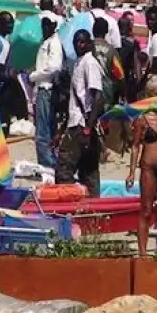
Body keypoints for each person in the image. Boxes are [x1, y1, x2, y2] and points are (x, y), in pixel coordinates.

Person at [57, 29, 104, 195]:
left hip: (81, 124)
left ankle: (68, 203)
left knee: (65, 167)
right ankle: (90, 206)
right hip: (76, 121)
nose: (79, 45)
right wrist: (62, 129)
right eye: (76, 42)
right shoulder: (79, 62)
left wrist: (88, 128)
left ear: (89, 43)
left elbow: (97, 97)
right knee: (87, 169)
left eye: (83, 42)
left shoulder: (89, 63)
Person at [126, 77, 157, 257]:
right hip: (149, 166)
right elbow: (135, 145)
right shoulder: (142, 118)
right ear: (149, 94)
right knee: (146, 208)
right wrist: (131, 172)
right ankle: (143, 252)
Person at [29, 15, 63, 168]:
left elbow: (53, 67)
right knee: (46, 128)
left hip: (47, 88)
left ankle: (47, 164)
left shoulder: (53, 43)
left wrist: (33, 76)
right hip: (43, 89)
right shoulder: (47, 42)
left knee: (43, 131)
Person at [91, 17, 125, 109]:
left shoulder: (87, 47)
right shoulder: (112, 51)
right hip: (105, 95)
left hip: (89, 93)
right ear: (106, 32)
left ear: (93, 30)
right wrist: (122, 93)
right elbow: (120, 75)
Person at [118, 15, 141, 104]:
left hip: (115, 78)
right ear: (129, 28)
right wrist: (139, 81)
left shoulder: (113, 42)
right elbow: (137, 63)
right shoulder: (133, 43)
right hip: (127, 77)